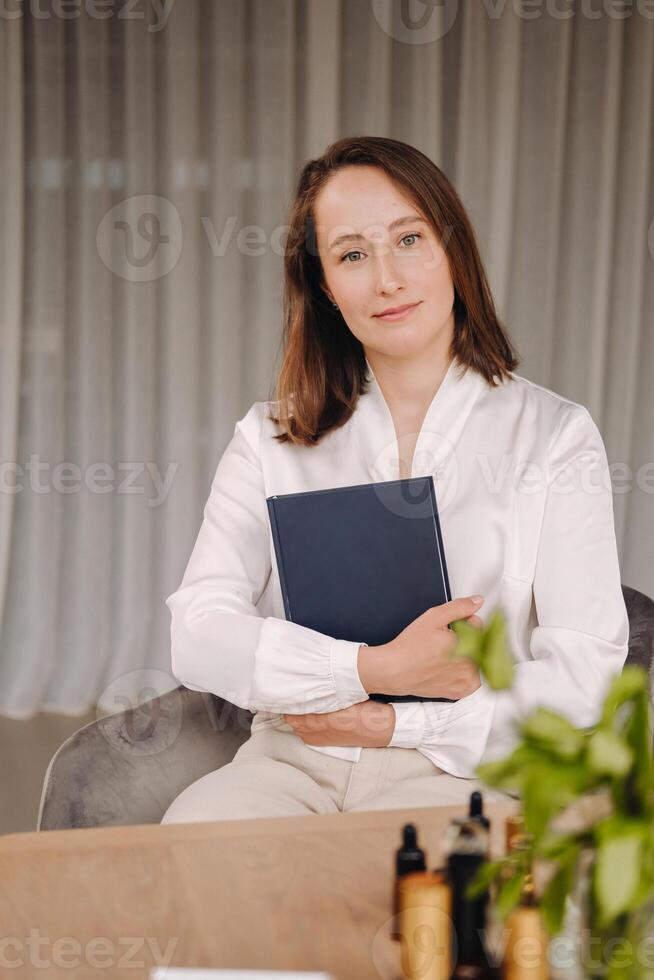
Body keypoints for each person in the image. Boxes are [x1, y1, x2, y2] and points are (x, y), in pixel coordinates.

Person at [161, 136, 629, 824]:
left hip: (460, 766)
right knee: (193, 846)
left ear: (453, 250)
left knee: (407, 897)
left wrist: (395, 724)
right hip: (294, 758)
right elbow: (197, 630)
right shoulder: (270, 437)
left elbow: (585, 677)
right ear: (324, 285)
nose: (387, 279)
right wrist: (368, 672)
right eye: (352, 254)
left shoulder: (554, 436)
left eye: (409, 239)